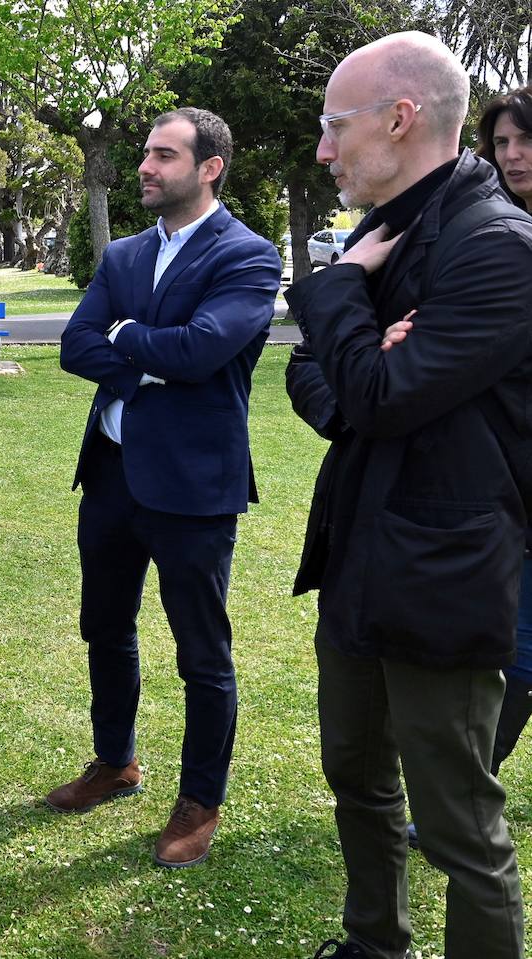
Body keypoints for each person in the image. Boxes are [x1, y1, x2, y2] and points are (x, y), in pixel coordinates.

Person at [284, 32, 532, 959]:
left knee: (458, 818)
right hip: (358, 556)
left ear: (400, 118)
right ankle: (375, 943)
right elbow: (317, 379)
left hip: (442, 573)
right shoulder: (383, 227)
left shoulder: (497, 246)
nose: (322, 149)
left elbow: (380, 394)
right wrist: (362, 367)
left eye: (332, 126)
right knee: (355, 772)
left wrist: (345, 295)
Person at [50, 108, 281, 868]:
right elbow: (75, 344)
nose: (145, 167)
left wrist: (130, 341)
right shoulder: (121, 255)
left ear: (209, 167)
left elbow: (206, 348)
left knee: (202, 655)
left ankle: (200, 798)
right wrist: (147, 355)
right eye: (146, 154)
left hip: (192, 487)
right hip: (113, 477)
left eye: (163, 156)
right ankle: (114, 760)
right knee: (105, 628)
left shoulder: (247, 255)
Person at [396, 85, 532, 851]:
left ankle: (460, 804)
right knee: (517, 643)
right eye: (503, 142)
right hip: (505, 475)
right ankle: (459, 799)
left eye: (526, 141)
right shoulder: (481, 229)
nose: (513, 155)